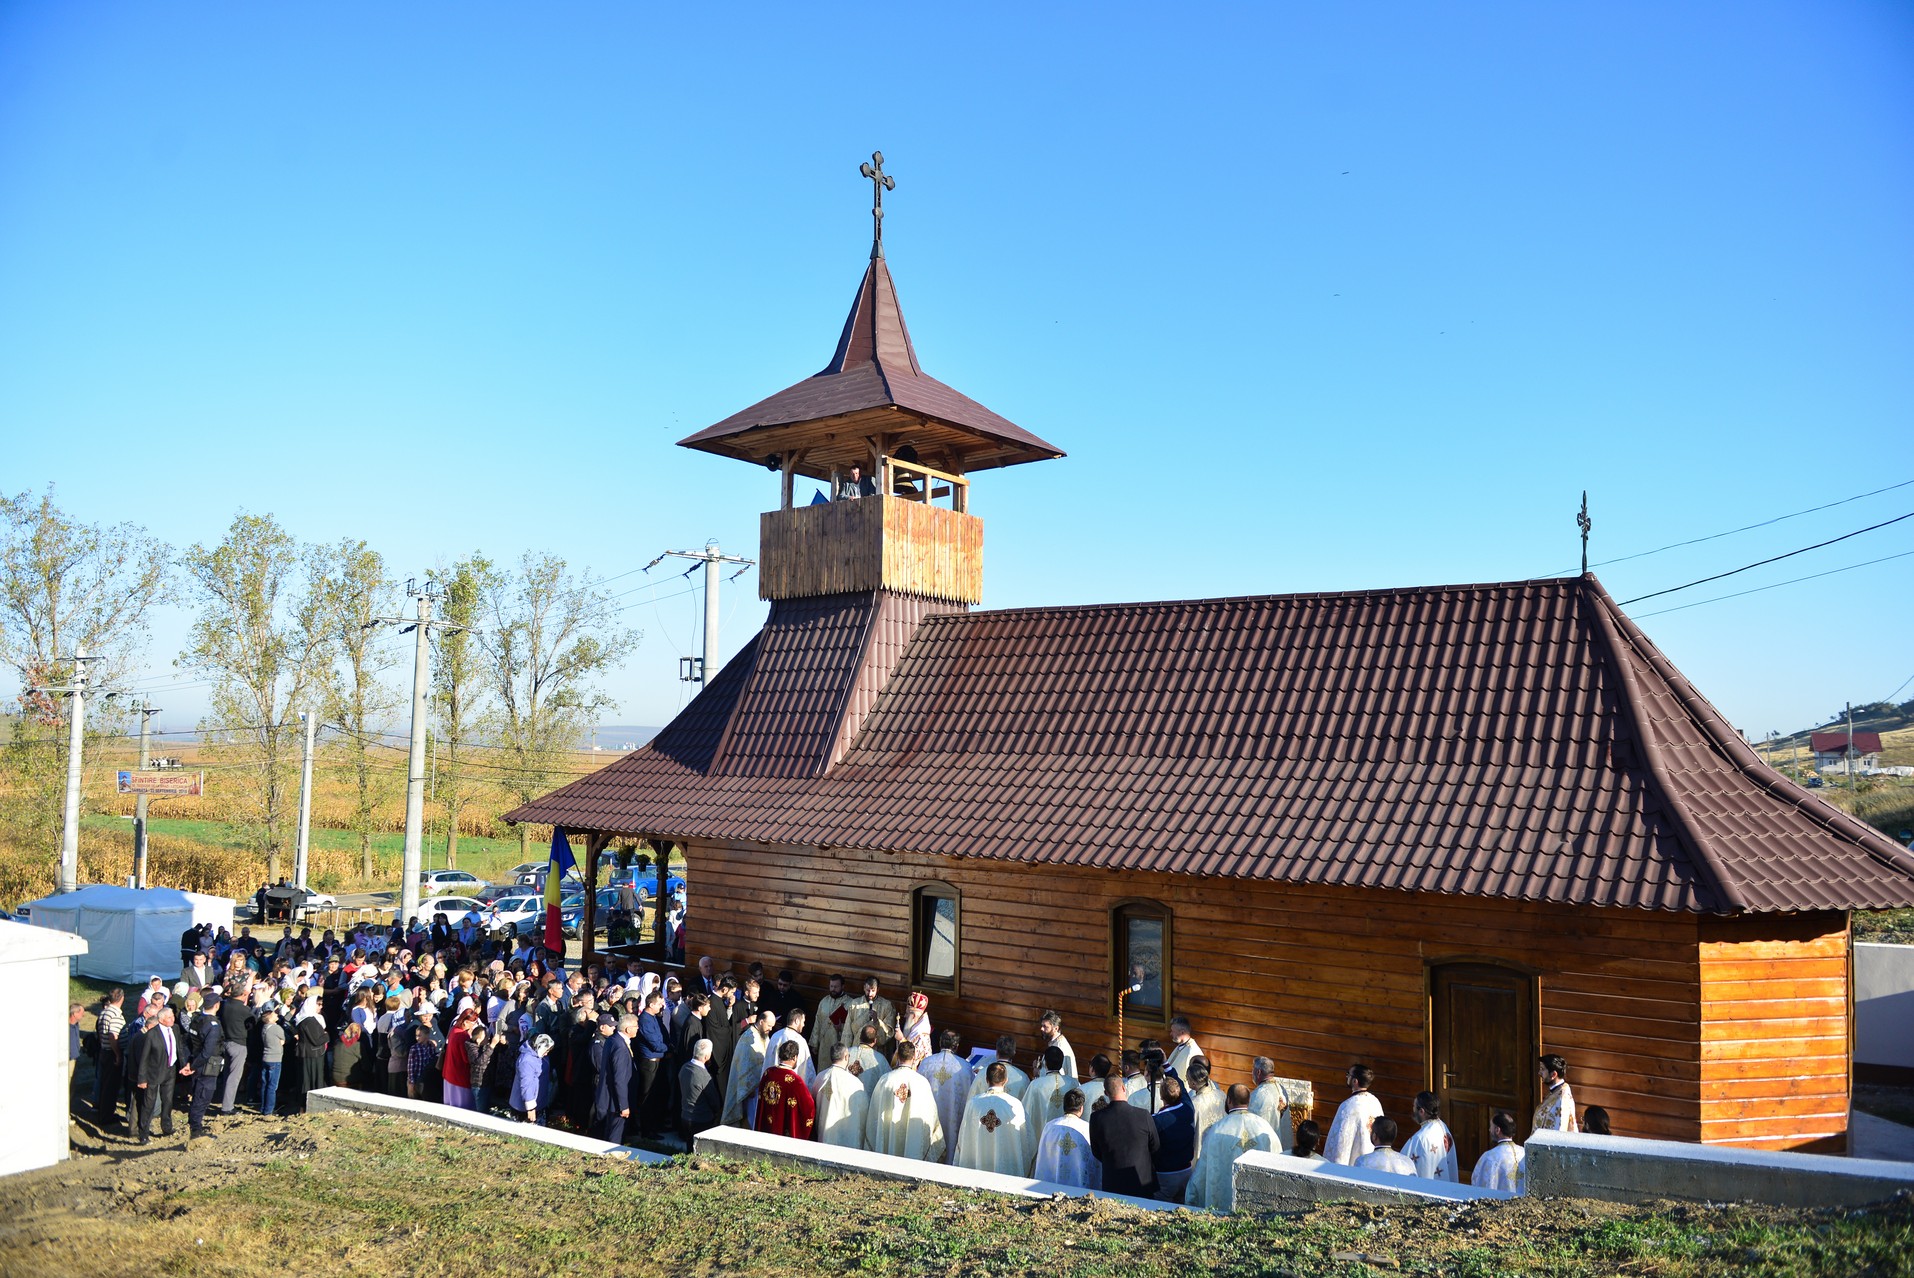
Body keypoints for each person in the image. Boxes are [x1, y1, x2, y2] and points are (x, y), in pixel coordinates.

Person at [1185, 1083, 1277, 1211]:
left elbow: (1202, 1173)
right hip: (1258, 1207)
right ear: (1248, 1101)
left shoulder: (1217, 1130)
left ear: (1228, 1100)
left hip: (1223, 1205)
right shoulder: (1264, 1127)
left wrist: (1191, 1195)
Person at [862, 1042, 945, 1161]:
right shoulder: (921, 1082)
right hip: (913, 1137)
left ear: (898, 1056)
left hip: (888, 1134)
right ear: (914, 1057)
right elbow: (930, 1115)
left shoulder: (885, 1080)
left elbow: (874, 1115)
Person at [1089, 1074, 1160, 1198]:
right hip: (1141, 1181)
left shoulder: (1097, 1118)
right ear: (1123, 1088)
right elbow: (1155, 1146)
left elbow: (1096, 1151)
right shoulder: (1143, 1115)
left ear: (1106, 1093)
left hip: (1113, 1181)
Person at [954, 1061, 1030, 1174]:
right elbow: (1026, 1140)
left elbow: (964, 1136)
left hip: (977, 1166)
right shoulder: (1015, 1104)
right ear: (1006, 1081)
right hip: (1005, 1171)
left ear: (986, 1080)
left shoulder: (973, 1103)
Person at [920, 1029, 973, 1161]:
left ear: (939, 1042)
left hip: (929, 1116)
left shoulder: (926, 1063)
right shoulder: (965, 1067)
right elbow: (970, 1095)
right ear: (956, 1045)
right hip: (953, 1118)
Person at [134, 1004, 182, 1144]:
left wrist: (183, 1065)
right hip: (153, 1073)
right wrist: (142, 1078)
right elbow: (144, 1058)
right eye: (169, 1017)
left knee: (168, 1101)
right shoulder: (152, 1034)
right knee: (149, 1103)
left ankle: (167, 1127)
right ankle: (143, 1133)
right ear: (161, 1020)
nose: (172, 1019)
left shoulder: (175, 1029)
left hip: (170, 1070)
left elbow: (178, 1047)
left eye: (172, 1016)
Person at [1033, 1088, 1099, 1188]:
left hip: (1050, 1186)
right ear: (1081, 1108)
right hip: (1079, 1187)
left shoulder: (1050, 1126)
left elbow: (1043, 1157)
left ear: (1064, 1106)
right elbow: (1093, 1161)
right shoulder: (1087, 1128)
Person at [722, 1009, 775, 1127]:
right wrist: (748, 1088)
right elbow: (743, 1066)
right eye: (769, 1025)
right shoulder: (747, 1038)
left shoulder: (764, 1035)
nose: (770, 1029)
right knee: (751, 1118)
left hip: (761, 1086)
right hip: (750, 1089)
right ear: (761, 1022)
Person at [755, 1040, 818, 1140]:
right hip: (783, 1132)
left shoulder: (768, 1073)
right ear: (795, 1057)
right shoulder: (796, 1081)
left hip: (767, 1128)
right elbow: (809, 1106)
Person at [1323, 1063, 1383, 1164]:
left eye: (1348, 1074)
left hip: (1353, 1164)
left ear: (1355, 1081)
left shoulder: (1348, 1106)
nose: (1347, 1077)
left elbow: (1340, 1143)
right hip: (1372, 1162)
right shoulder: (1375, 1101)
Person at [185, 991, 226, 1140]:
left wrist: (190, 1062)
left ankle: (196, 1124)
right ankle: (196, 1130)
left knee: (198, 1095)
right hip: (206, 1066)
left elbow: (190, 1042)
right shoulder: (213, 1025)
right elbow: (208, 1051)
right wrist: (193, 1066)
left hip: (198, 1062)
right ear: (216, 1005)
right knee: (202, 1097)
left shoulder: (197, 1019)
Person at [813, 1045, 869, 1149]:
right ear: (846, 1057)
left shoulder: (820, 1077)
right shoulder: (855, 1083)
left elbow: (813, 1104)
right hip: (847, 1140)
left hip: (823, 1135)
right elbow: (863, 1112)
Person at [1151, 1075, 1198, 1202]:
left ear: (1161, 1097)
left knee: (1161, 1210)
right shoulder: (1188, 1109)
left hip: (1166, 1175)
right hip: (1186, 1171)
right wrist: (1166, 1064)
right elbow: (1181, 1085)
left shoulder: (1157, 1120)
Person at [635, 992, 672, 1137]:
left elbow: (662, 1037)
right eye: (659, 1004)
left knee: (658, 1095)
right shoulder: (644, 1020)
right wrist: (668, 1048)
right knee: (648, 1097)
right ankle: (647, 1129)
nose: (662, 1006)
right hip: (649, 1063)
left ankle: (657, 1125)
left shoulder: (655, 1018)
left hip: (659, 1061)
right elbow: (655, 1043)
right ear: (651, 1005)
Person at [1020, 1045, 1073, 1146]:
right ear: (1061, 1064)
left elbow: (1025, 1111)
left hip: (1042, 1139)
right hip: (1066, 1139)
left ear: (1045, 1063)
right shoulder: (1072, 1083)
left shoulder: (1036, 1085)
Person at [216, 981, 254, 1116]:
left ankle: (226, 1101)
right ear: (243, 995)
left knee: (227, 1074)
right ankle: (227, 1107)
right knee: (234, 1076)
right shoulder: (244, 1010)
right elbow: (252, 1024)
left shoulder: (225, 1005)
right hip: (239, 1044)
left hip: (226, 1042)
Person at [597, 1014, 636, 1143]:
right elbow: (619, 1079)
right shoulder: (620, 1047)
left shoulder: (613, 1039)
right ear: (628, 1029)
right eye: (636, 1026)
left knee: (609, 1131)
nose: (638, 1029)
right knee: (615, 1135)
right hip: (616, 1102)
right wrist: (624, 1105)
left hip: (611, 1098)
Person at [1404, 1091, 1459, 1181]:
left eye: (1414, 1107)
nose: (1413, 1110)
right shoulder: (1442, 1126)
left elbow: (1405, 1167)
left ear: (1421, 1111)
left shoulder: (1420, 1138)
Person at [1470, 1110, 1525, 1193]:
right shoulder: (1524, 1153)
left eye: (1491, 1126)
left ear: (1497, 1130)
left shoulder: (1489, 1157)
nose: (1489, 1129)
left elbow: (1477, 1183)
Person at [678, 1038, 722, 1142]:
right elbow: (714, 1101)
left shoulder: (684, 1067)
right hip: (701, 1119)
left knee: (689, 1148)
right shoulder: (703, 1075)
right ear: (707, 1056)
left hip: (685, 1116)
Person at [1248, 1057, 1296, 1151]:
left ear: (1258, 1072)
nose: (1252, 1073)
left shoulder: (1258, 1095)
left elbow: (1250, 1124)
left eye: (1253, 1069)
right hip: (1281, 1146)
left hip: (1266, 1148)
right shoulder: (1282, 1089)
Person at [95, 988, 126, 1126]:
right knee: (111, 1086)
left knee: (105, 1084)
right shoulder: (115, 1015)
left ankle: (104, 1112)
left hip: (104, 1051)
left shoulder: (104, 1012)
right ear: (121, 998)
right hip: (111, 1053)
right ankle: (106, 1116)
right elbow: (113, 1036)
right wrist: (118, 1055)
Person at [843, 977, 896, 1059]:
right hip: (856, 1050)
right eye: (868, 990)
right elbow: (847, 1031)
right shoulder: (855, 1004)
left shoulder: (886, 1006)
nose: (870, 994)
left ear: (878, 989)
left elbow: (888, 1033)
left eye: (873, 990)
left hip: (876, 1053)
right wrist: (845, 1052)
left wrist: (876, 1021)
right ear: (864, 988)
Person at [967, 1035, 1029, 1103]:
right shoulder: (1022, 1078)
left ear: (997, 1052)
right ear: (1014, 1053)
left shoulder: (982, 1073)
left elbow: (971, 1101)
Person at [764, 1009, 815, 1086]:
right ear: (797, 1021)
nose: (804, 1025)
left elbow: (767, 1062)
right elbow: (807, 1070)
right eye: (803, 1022)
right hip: (789, 1087)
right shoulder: (800, 1040)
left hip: (772, 1085)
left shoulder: (775, 1036)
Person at [295, 997, 329, 1110]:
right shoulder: (310, 1021)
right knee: (311, 1080)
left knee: (307, 1079)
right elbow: (316, 1040)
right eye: (318, 1004)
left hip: (308, 1053)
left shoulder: (306, 1018)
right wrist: (326, 1035)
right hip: (312, 1054)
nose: (321, 1007)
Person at [810, 974, 852, 1064]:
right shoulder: (824, 1001)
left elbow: (852, 1026)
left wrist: (841, 1028)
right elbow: (817, 1022)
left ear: (842, 986)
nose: (833, 989)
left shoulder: (850, 1003)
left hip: (839, 1044)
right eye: (831, 986)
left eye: (836, 987)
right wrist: (814, 1043)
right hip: (823, 1045)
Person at [513, 1034, 554, 1124]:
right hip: (525, 1107)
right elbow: (526, 1084)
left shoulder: (539, 1055)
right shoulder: (527, 1061)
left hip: (539, 1101)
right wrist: (530, 1107)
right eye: (546, 1050)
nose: (547, 1053)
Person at [1185, 1058, 1226, 1149]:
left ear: (1193, 1083)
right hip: (1220, 1143)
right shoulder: (1222, 1095)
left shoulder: (1193, 1103)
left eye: (1187, 1078)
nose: (1186, 1081)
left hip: (1202, 1147)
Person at [1533, 1054, 1578, 1133]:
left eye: (1542, 1069)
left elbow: (1560, 1128)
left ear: (1554, 1074)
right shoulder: (1556, 1091)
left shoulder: (1562, 1098)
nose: (1539, 1073)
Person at [257, 1005, 286, 1115]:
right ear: (269, 1018)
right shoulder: (276, 1028)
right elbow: (283, 1039)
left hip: (266, 1058)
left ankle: (263, 1107)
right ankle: (269, 1110)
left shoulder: (264, 1028)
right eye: (274, 1014)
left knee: (265, 1084)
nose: (276, 1015)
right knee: (272, 1086)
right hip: (275, 1059)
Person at [1035, 1011, 1078, 1082]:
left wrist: (1038, 1072)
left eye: (1045, 1026)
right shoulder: (1055, 1042)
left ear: (1056, 1028)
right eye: (1042, 1026)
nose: (1041, 1029)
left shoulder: (1059, 1047)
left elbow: (1057, 1073)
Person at [1165, 1016, 1203, 1081]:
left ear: (1182, 1032)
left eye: (1172, 1031)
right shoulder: (1180, 1046)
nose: (1171, 1034)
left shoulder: (1192, 1051)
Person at [897, 991, 932, 1061]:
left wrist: (901, 1039)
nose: (905, 1015)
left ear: (914, 1016)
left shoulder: (921, 1034)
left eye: (907, 1013)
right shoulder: (914, 1028)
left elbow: (913, 1057)